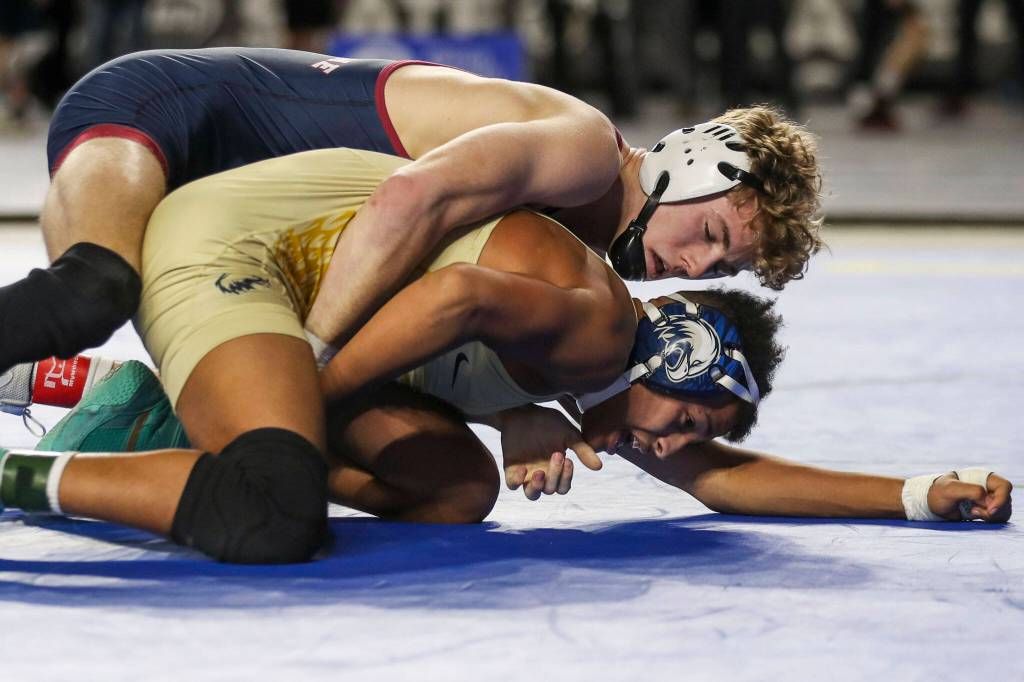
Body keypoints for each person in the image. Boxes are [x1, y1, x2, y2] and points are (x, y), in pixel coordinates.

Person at [0, 146, 1010, 565]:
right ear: (669, 359)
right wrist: (311, 395)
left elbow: (728, 481)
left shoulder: (614, 377)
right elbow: (458, 296)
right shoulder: (600, 329)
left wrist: (916, 495)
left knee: (456, 490)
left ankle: (122, 399)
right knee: (271, 507)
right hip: (240, 249)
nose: (671, 449)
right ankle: (22, 472)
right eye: (685, 421)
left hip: (299, 288)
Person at [0, 46, 824, 374]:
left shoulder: (569, 244)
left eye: (722, 267)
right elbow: (410, 197)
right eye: (710, 234)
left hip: (222, 206)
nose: (692, 267)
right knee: (91, 291)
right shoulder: (581, 154)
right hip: (161, 112)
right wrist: (313, 353)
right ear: (686, 163)